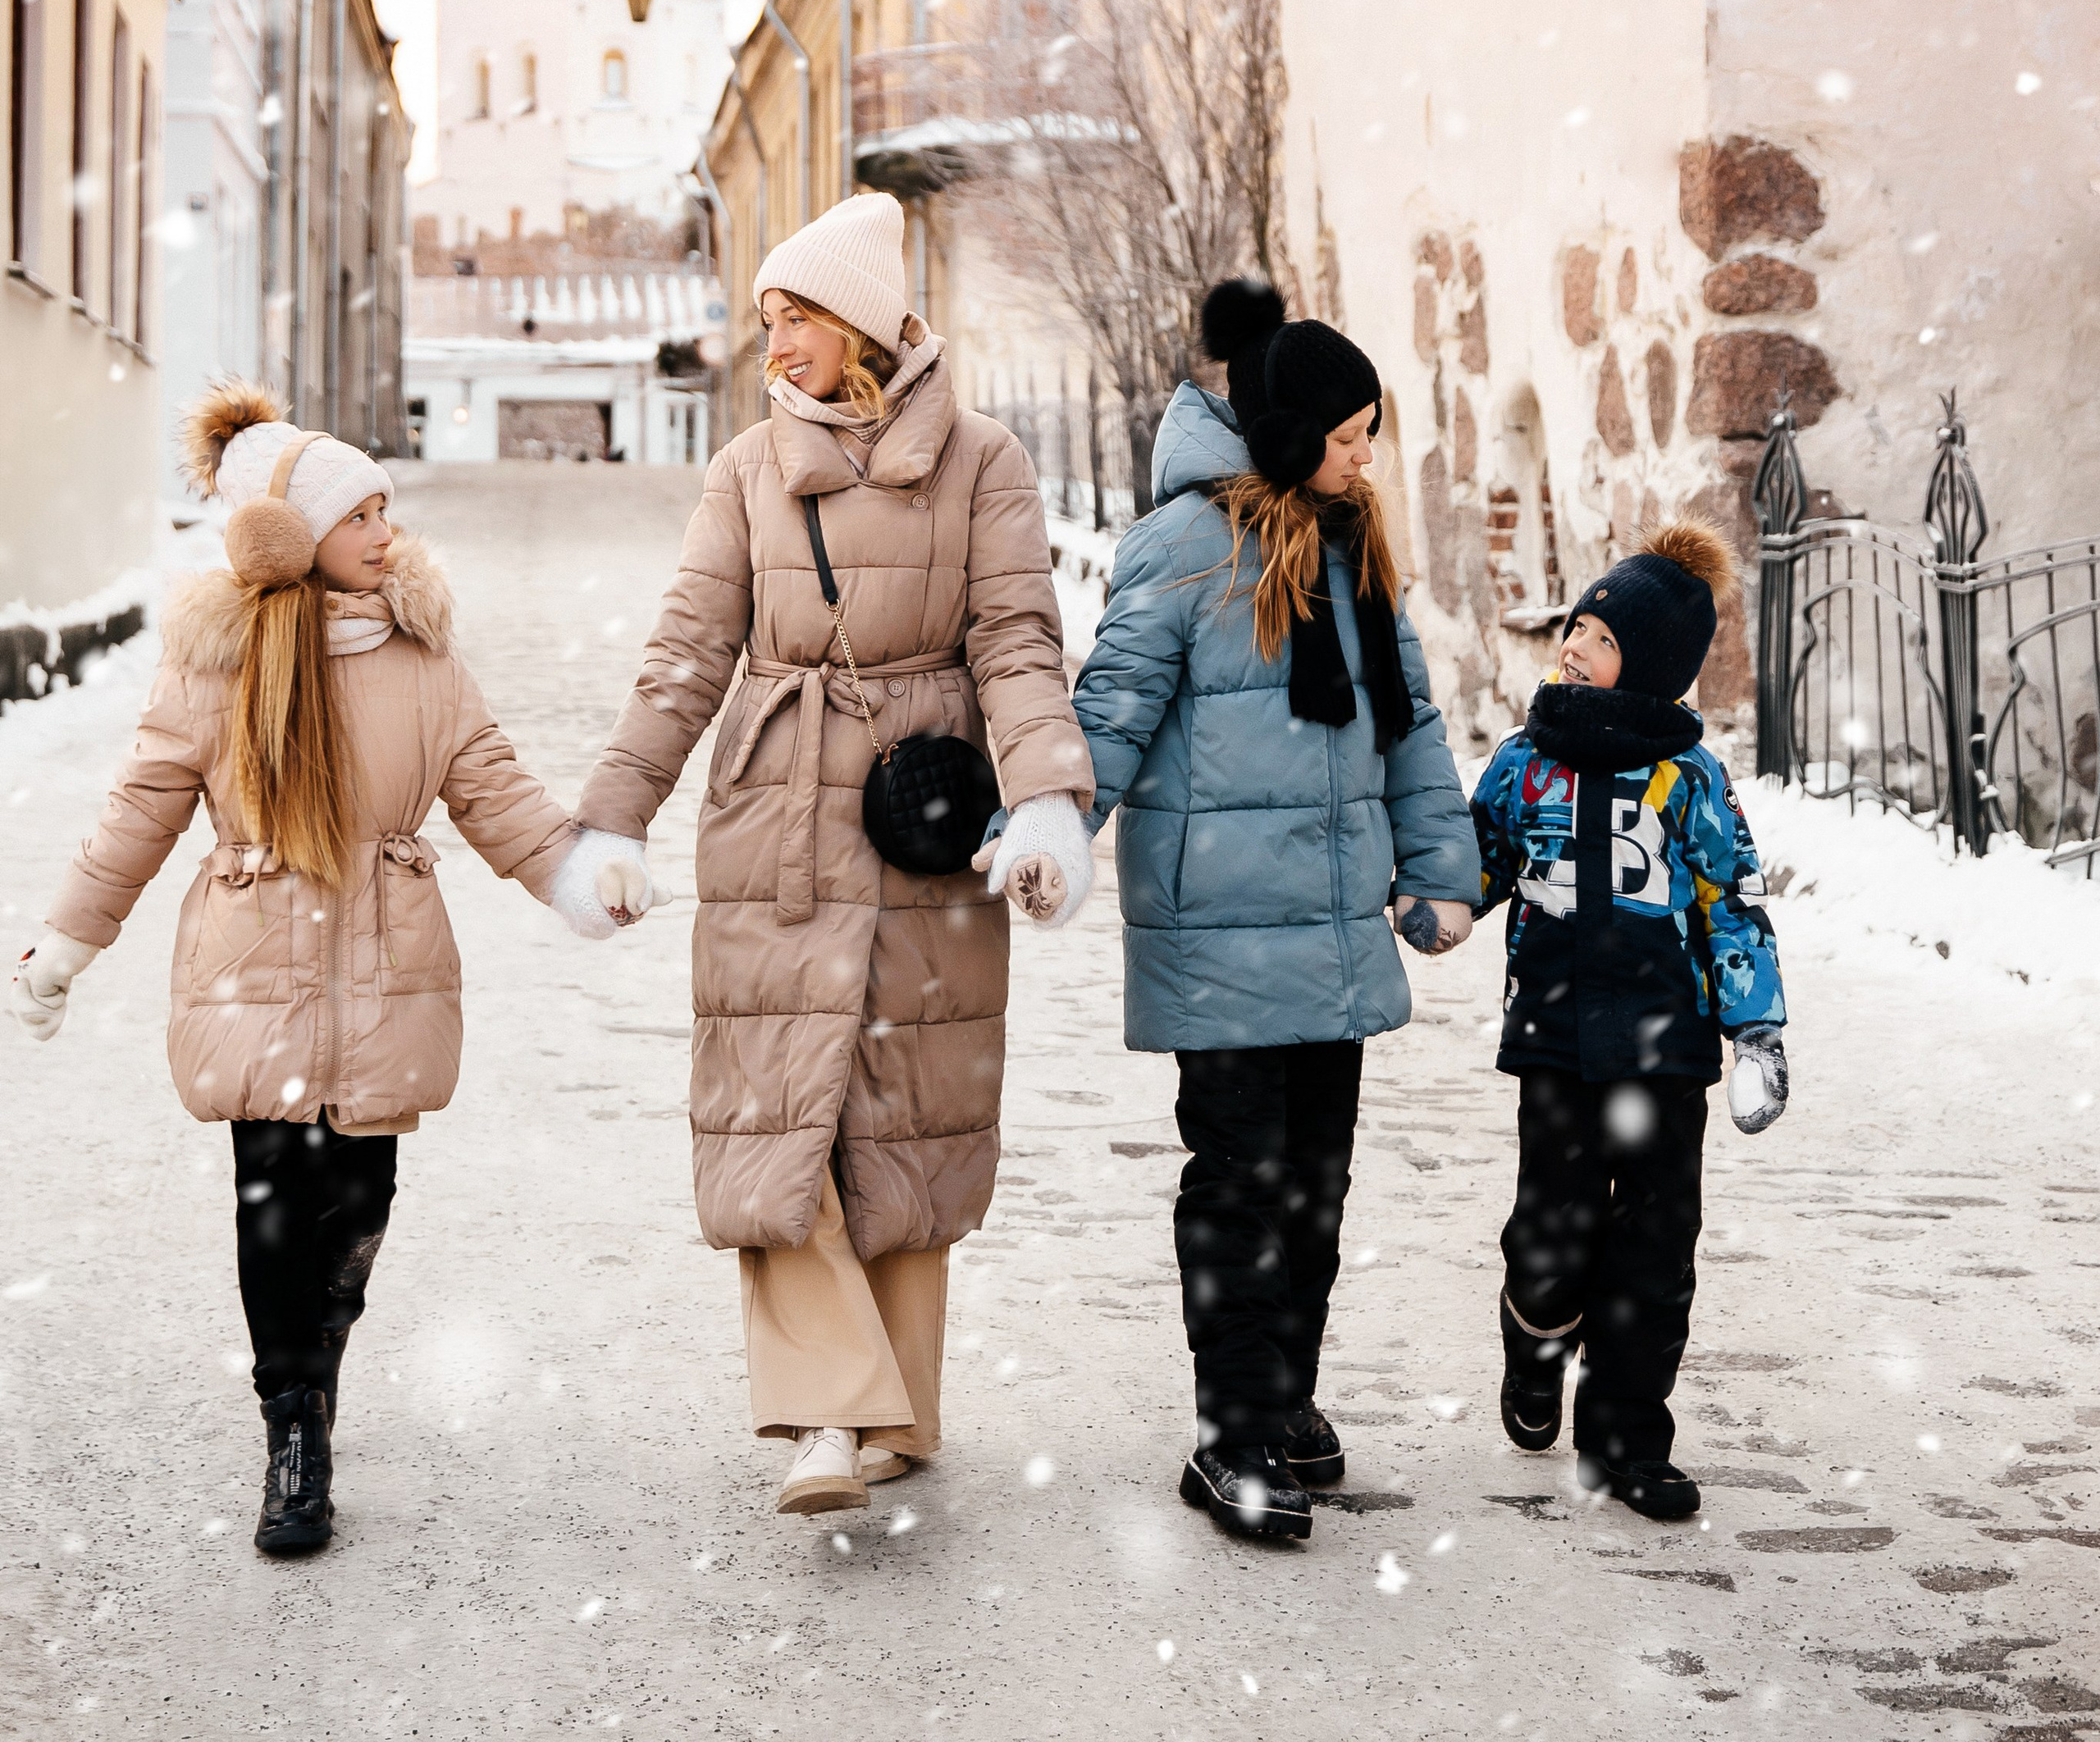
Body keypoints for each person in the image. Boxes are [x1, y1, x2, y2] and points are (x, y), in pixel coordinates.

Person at [7, 385, 639, 1558]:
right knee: (275, 1201)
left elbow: (492, 788)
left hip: (388, 966)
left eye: (387, 510)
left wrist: (574, 876)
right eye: (361, 516)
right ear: (292, 539)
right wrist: (70, 938)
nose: (385, 533)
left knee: (365, 1201)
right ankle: (293, 1424)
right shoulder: (215, 667)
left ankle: (321, 1344)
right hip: (254, 968)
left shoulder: (424, 658)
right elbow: (140, 814)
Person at [570, 189, 1097, 1520]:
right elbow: (689, 654)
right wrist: (614, 813)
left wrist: (1044, 800)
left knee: (907, 1111)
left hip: (927, 818)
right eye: (764, 319)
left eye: (795, 314)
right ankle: (825, 1412)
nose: (775, 343)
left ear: (860, 320)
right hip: (778, 817)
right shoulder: (748, 468)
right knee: (775, 1102)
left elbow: (1020, 646)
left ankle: (896, 1414)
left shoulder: (986, 460)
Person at [1071, 279, 1479, 1545]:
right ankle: (1230, 1434)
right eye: (1349, 437)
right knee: (1243, 1184)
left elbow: (1409, 735)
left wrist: (1444, 868)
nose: (1364, 460)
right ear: (1292, 434)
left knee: (1318, 1186)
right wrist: (1035, 832)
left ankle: (1285, 1396)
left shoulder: (1358, 555)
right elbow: (1110, 720)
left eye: (1368, 436)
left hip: (1337, 927)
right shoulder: (1180, 550)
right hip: (1221, 937)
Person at [1470, 524, 1789, 1521]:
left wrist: (1757, 1032)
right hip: (1556, 1039)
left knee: (1657, 1243)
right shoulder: (1525, 762)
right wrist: (1431, 905)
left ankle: (1624, 1438)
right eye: (1577, 624)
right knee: (1550, 1233)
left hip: (1665, 1046)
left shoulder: (1689, 780)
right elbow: (1476, 862)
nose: (1576, 643)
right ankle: (1534, 1340)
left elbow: (1732, 904)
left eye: (1602, 638)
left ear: (1647, 666)